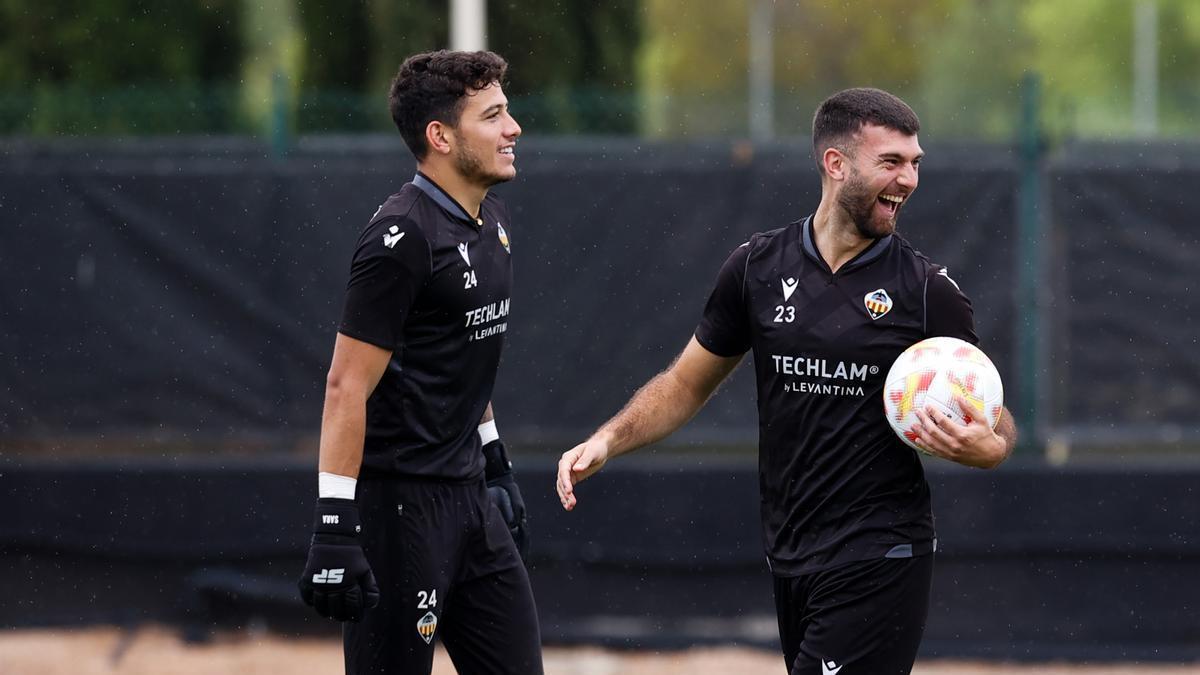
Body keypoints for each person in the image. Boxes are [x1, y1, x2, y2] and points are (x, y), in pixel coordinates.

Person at [556, 88, 1017, 675]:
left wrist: (990, 447)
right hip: (791, 552)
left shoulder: (927, 291)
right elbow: (685, 384)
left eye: (916, 163)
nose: (910, 180)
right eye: (892, 162)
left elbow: (994, 412)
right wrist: (607, 440)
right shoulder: (756, 267)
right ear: (836, 164)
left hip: (881, 552)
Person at [297, 50, 543, 675]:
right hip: (399, 511)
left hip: (469, 500)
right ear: (440, 136)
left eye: (507, 111)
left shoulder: (493, 221)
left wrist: (494, 460)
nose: (513, 128)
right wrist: (334, 524)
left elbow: (464, 355)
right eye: (492, 116)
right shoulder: (400, 239)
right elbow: (344, 386)